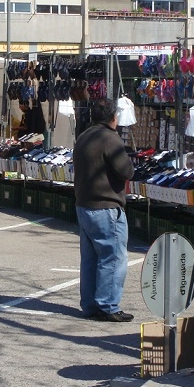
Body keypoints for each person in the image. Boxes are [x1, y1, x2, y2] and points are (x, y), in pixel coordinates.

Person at [73, 98, 135, 322]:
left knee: (90, 259)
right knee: (113, 256)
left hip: (84, 204)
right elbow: (125, 171)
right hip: (106, 206)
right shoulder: (110, 138)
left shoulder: (84, 136)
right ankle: (108, 305)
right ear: (113, 117)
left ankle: (90, 305)